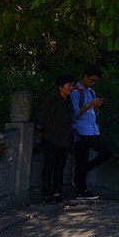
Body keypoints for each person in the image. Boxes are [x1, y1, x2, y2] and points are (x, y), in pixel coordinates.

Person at [70, 65, 113, 201]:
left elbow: (93, 114)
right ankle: (81, 188)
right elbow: (75, 114)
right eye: (92, 80)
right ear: (85, 76)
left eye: (95, 81)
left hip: (92, 129)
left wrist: (96, 106)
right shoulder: (76, 92)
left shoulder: (91, 92)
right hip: (81, 130)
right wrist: (90, 104)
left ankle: (80, 175)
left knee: (105, 153)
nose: (93, 83)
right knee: (85, 157)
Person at [35, 74, 77, 204]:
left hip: (64, 139)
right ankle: (47, 193)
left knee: (60, 166)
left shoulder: (68, 101)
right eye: (68, 85)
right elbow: (41, 117)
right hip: (51, 138)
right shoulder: (52, 100)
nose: (71, 88)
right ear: (60, 86)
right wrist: (40, 131)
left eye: (72, 85)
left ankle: (57, 192)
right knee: (50, 165)